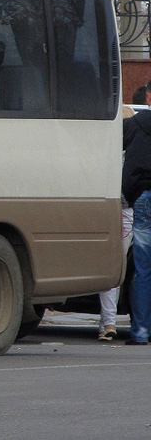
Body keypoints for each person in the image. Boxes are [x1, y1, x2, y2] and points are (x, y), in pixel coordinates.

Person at [98, 103, 136, 341]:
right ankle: (140, 321)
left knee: (112, 271)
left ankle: (108, 322)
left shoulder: (109, 154)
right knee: (139, 271)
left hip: (111, 213)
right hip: (131, 212)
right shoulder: (134, 154)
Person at [122, 106, 151, 345]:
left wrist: (129, 195)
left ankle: (141, 332)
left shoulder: (133, 125)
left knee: (143, 271)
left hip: (142, 198)